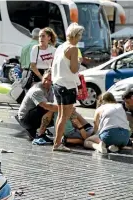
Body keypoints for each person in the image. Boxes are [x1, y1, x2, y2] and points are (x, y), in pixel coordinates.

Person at [51, 23, 84, 152]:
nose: (80, 38)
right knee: (64, 117)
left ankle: (57, 142)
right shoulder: (73, 49)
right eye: (80, 35)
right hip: (68, 86)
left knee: (60, 116)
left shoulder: (61, 47)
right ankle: (57, 143)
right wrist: (79, 61)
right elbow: (74, 69)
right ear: (76, 35)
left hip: (58, 84)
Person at [15, 70, 57, 143]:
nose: (47, 82)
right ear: (42, 77)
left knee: (55, 110)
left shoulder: (51, 90)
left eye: (50, 80)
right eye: (45, 78)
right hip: (25, 119)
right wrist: (65, 108)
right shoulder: (37, 90)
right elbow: (46, 106)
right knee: (49, 108)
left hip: (34, 114)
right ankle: (40, 134)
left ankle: (41, 132)